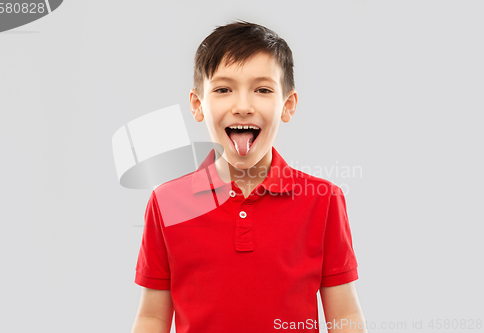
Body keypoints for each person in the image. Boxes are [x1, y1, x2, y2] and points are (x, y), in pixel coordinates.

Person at [131, 20, 367, 333]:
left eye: (263, 90)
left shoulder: (323, 201)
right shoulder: (167, 202)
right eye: (224, 89)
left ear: (288, 104)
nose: (243, 106)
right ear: (198, 104)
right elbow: (153, 317)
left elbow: (344, 315)